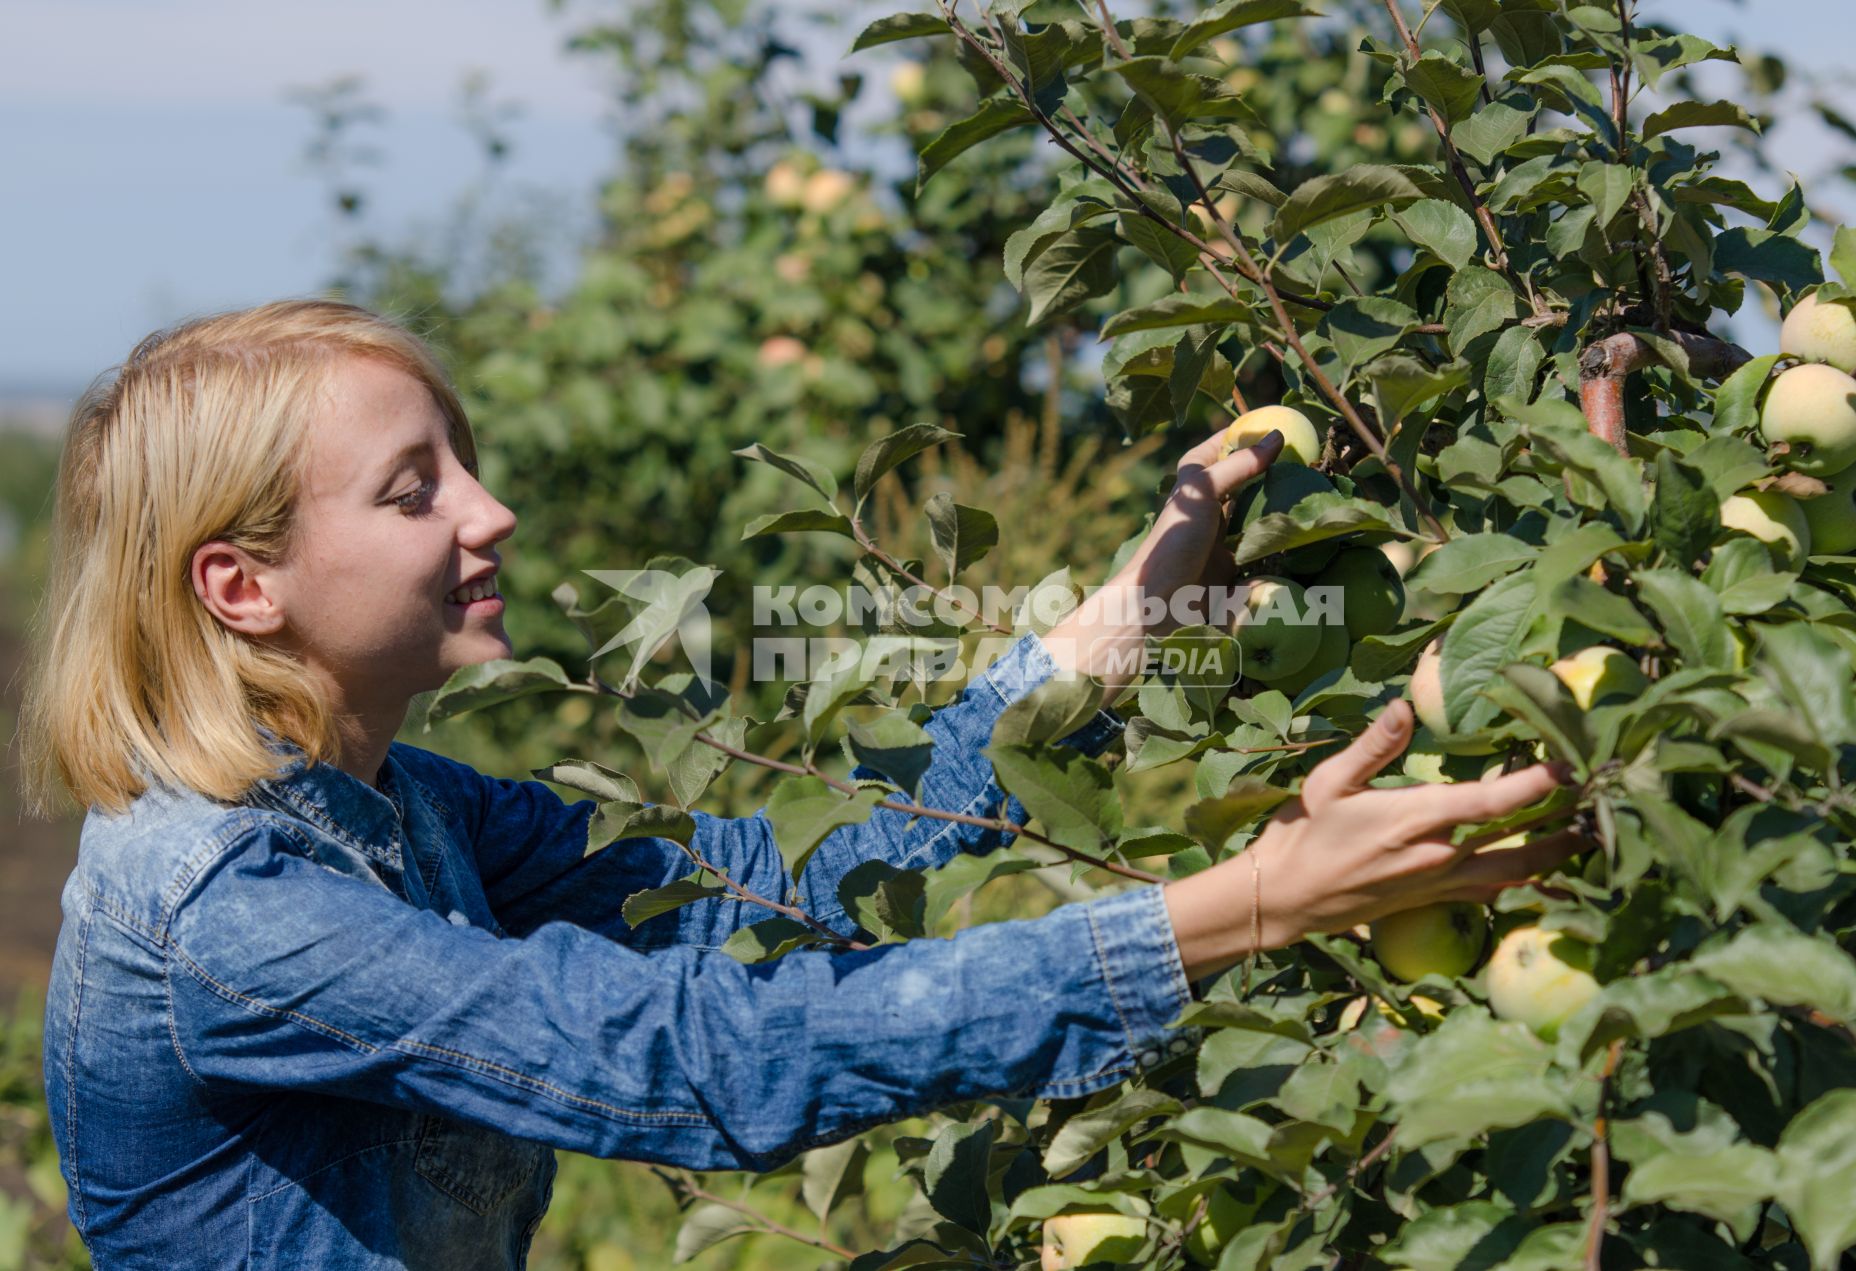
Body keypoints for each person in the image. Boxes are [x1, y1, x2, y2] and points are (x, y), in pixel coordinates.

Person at [17, 299, 1579, 1269]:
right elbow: (689, 1064)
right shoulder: (232, 916)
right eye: (417, 489)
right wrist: (1242, 909)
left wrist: (1118, 633)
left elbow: (768, 884)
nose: (491, 514)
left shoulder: (409, 811)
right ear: (240, 586)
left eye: (466, 462)